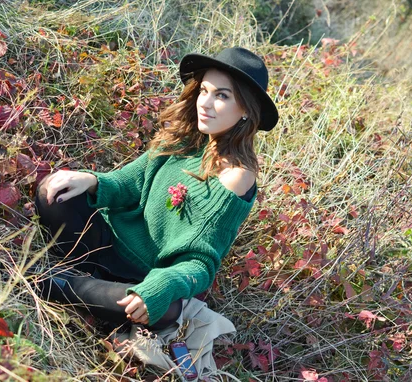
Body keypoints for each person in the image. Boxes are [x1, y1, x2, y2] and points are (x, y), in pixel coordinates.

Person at [33, 47, 279, 331]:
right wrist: (91, 181)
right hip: (106, 240)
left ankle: (60, 284)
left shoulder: (235, 177)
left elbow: (201, 262)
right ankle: (87, 281)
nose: (206, 103)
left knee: (165, 310)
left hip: (144, 278)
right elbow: (129, 182)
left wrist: (161, 284)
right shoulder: (185, 138)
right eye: (204, 90)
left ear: (246, 109)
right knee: (52, 192)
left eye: (222, 95)